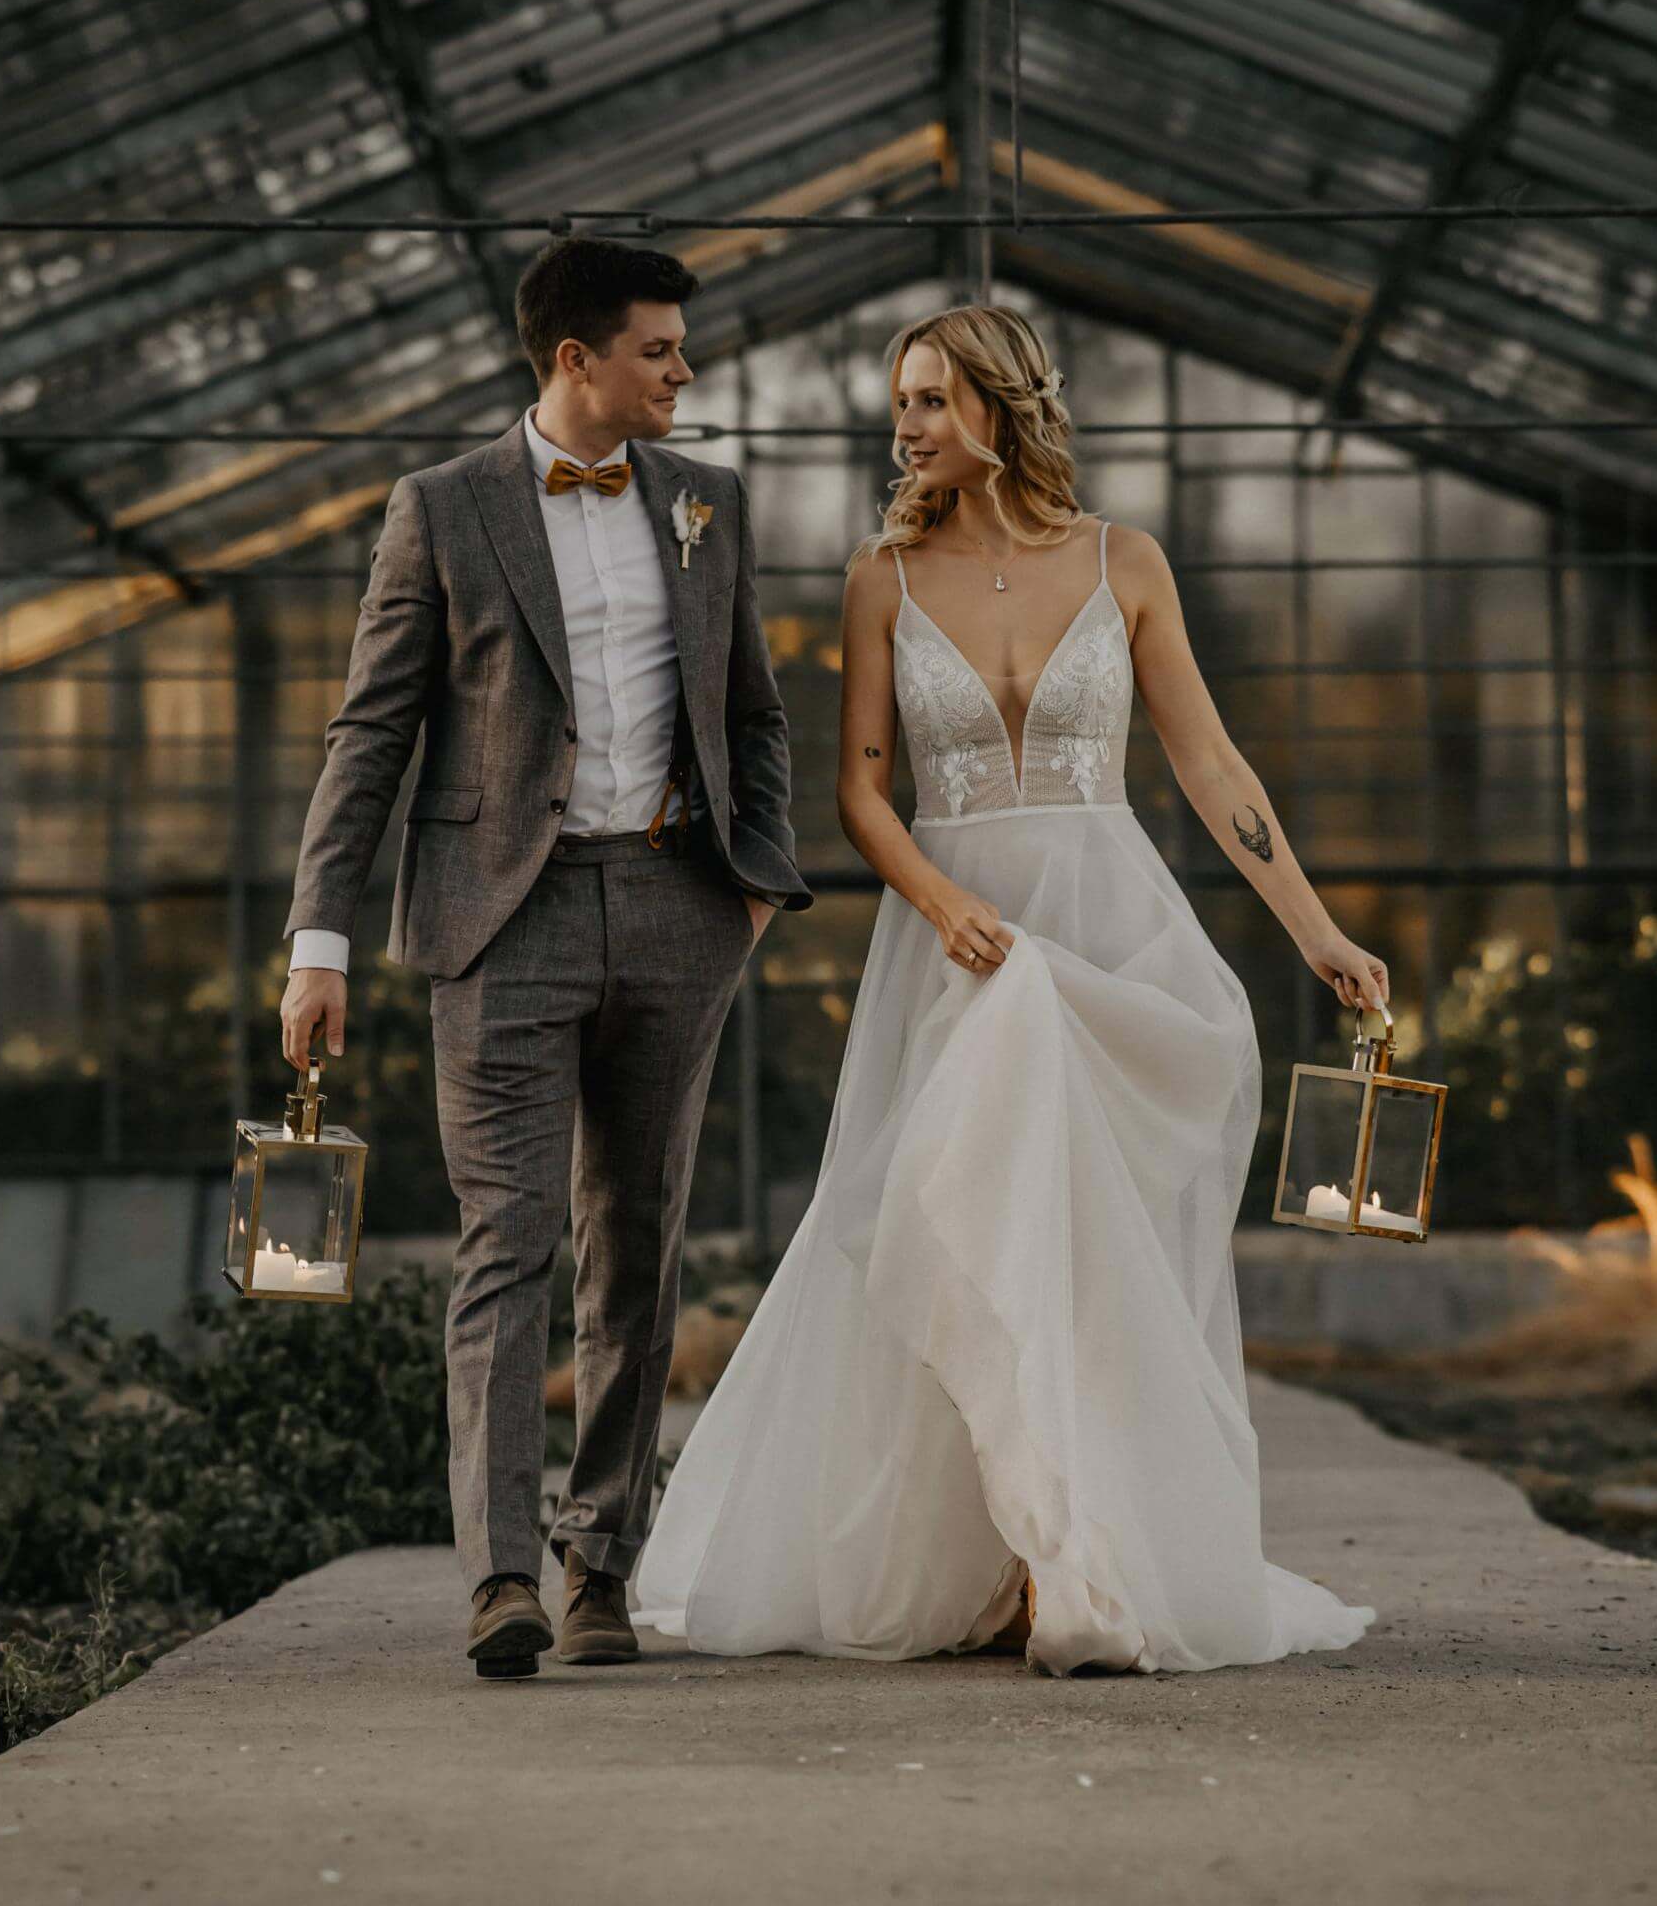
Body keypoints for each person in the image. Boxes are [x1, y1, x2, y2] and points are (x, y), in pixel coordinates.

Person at [628, 305, 1382, 1675]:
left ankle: (1071, 1557)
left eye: (927, 400)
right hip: (962, 942)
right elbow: (858, 791)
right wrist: (943, 901)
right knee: (962, 1222)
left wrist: (1316, 932)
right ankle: (1000, 1557)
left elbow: (1214, 771)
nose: (904, 427)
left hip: (1110, 934)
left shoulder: (1124, 562)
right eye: (899, 402)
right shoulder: (882, 577)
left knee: (1093, 1253)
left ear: (1001, 403)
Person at [277, 237, 810, 1679]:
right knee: (508, 1244)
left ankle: (602, 1570)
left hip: (675, 909)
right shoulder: (441, 511)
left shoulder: (710, 505)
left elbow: (755, 711)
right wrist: (315, 942)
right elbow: (370, 734)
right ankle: (501, 1577)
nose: (684, 371)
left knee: (636, 1249)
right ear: (575, 360)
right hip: (496, 919)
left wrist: (756, 879)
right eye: (659, 350)